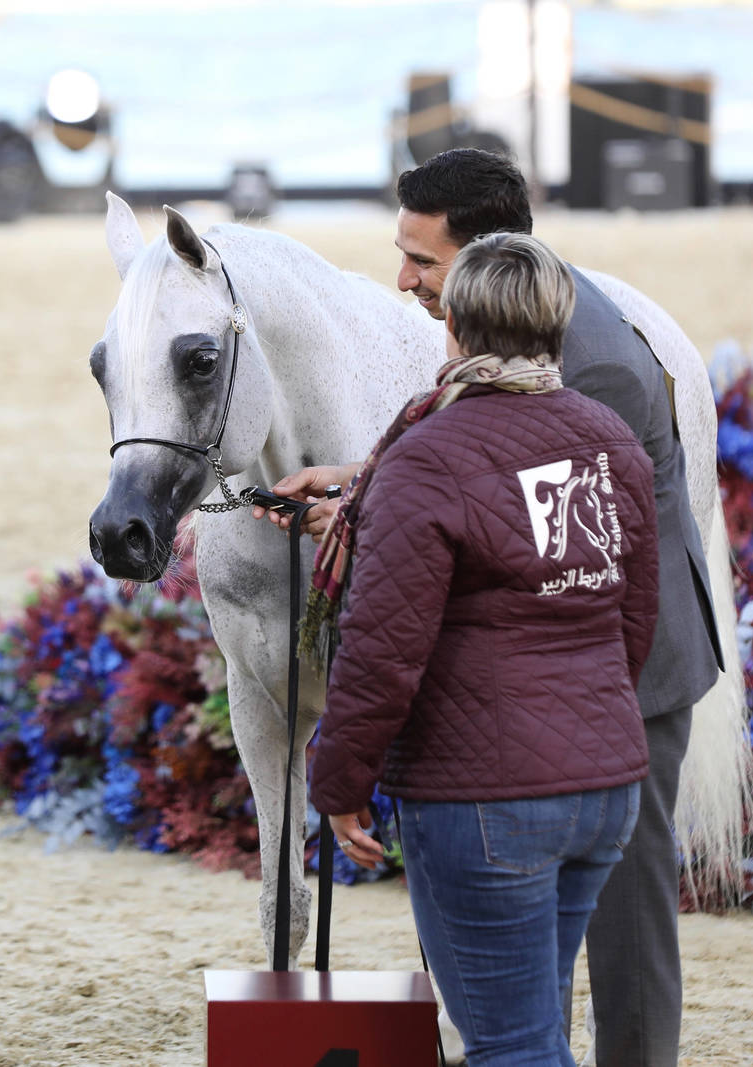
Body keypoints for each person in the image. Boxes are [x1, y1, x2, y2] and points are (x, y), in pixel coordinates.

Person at [266, 148, 722, 1066]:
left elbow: (509, 493)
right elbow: (506, 466)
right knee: (528, 989)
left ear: (483, 260)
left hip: (614, 679)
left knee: (618, 945)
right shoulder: (544, 322)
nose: (403, 282)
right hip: (590, 664)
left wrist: (381, 508)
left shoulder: (593, 369)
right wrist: (368, 490)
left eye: (422, 262)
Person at [309, 232, 656, 1065]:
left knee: (508, 1046)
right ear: (557, 324)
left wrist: (339, 777)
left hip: (484, 798)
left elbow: (383, 651)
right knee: (534, 1033)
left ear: (455, 324)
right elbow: (633, 625)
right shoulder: (610, 438)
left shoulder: (428, 457)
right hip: (604, 785)